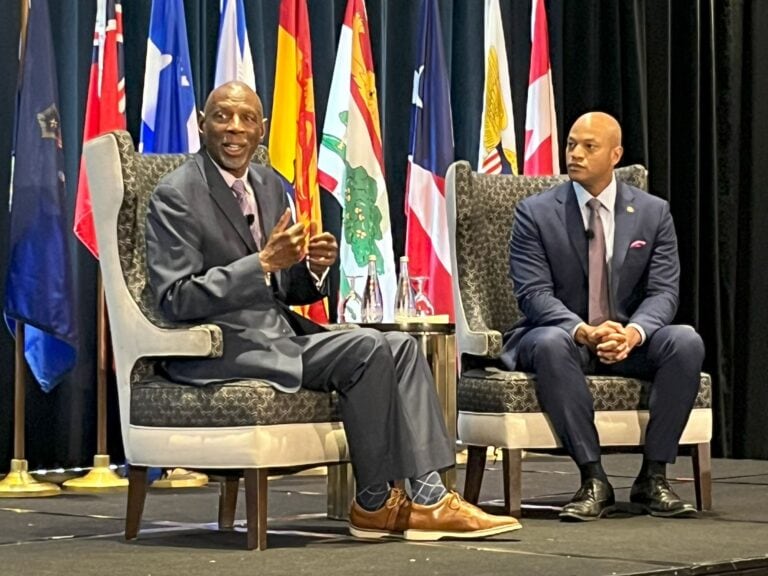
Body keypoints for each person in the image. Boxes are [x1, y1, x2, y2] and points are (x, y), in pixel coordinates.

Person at [145, 81, 521, 541]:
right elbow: (175, 297)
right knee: (364, 347)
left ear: (261, 129)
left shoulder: (268, 184)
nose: (234, 129)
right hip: (221, 348)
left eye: (247, 119)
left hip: (276, 334)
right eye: (223, 117)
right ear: (202, 125)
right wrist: (262, 262)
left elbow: (281, 288)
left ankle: (430, 496)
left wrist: (311, 270)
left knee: (401, 346)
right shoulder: (177, 193)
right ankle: (374, 502)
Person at [501, 111, 704, 522]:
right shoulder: (535, 213)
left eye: (588, 147)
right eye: (571, 144)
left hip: (626, 340)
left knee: (686, 341)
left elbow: (664, 292)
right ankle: (593, 478)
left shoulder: (653, 212)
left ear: (615, 154)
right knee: (553, 341)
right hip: (559, 338)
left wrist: (633, 333)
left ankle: (653, 477)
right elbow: (533, 295)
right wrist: (584, 331)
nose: (574, 154)